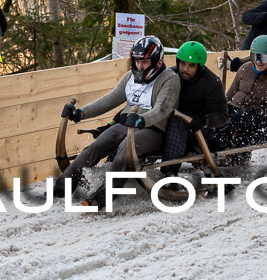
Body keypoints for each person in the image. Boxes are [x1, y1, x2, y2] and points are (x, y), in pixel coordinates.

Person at [55, 36, 180, 207]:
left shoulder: (169, 79)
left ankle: (102, 196)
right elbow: (110, 99)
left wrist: (142, 120)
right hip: (128, 123)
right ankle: (61, 187)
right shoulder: (130, 76)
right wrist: (81, 113)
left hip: (154, 129)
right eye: (136, 62)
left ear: (157, 61)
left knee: (125, 149)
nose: (139, 66)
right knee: (98, 145)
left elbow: (162, 109)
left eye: (144, 62)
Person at [208, 35, 267, 164]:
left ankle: (213, 146)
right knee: (219, 113)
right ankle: (204, 142)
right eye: (255, 56)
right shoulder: (245, 69)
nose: (258, 62)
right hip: (236, 116)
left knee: (242, 117)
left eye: (263, 58)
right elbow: (227, 97)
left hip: (259, 121)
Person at [160, 41, 228, 178]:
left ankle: (170, 171)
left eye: (191, 65)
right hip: (170, 123)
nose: (185, 69)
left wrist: (204, 121)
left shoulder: (211, 83)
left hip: (199, 129)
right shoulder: (171, 75)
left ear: (199, 66)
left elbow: (222, 116)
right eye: (183, 63)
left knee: (177, 121)